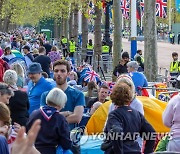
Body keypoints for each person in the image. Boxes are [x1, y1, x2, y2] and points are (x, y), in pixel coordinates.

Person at [102, 82, 155, 154]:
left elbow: (116, 132)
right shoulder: (137, 114)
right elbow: (151, 132)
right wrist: (148, 152)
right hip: (134, 150)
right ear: (130, 96)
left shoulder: (114, 115)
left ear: (113, 97)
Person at [40, 60, 85, 130]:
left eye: (62, 71)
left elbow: (77, 117)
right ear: (53, 73)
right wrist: (67, 113)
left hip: (69, 136)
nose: (59, 73)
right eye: (56, 71)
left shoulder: (78, 94)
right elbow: (43, 117)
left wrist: (53, 118)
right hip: (50, 137)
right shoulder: (45, 95)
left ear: (68, 73)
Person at [27, 88, 72, 154]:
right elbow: (66, 144)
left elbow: (27, 133)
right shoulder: (60, 119)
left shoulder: (34, 114)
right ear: (61, 104)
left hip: (32, 150)